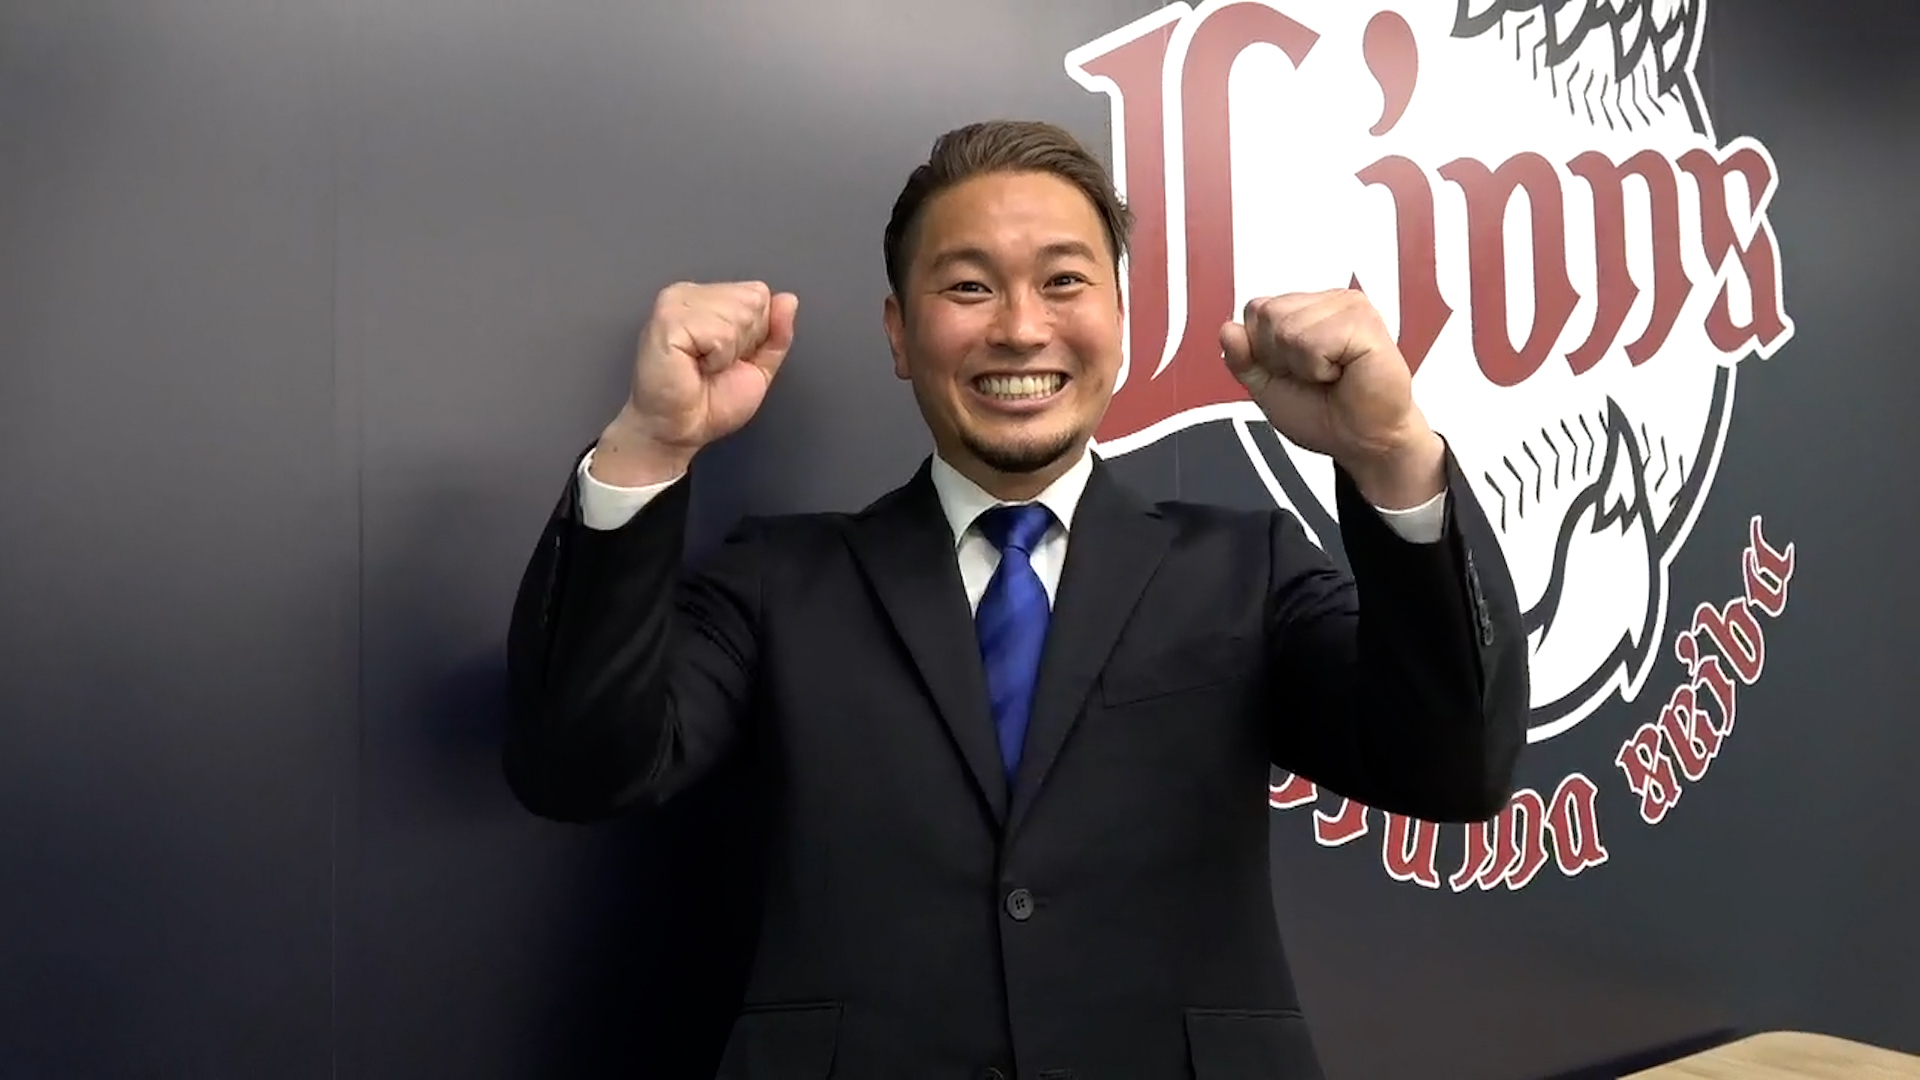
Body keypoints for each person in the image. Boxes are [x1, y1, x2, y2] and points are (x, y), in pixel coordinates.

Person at [503, 119, 1528, 1080]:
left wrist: (1392, 456)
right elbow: (580, 768)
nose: (1022, 328)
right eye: (969, 288)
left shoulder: (1247, 569)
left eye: (1064, 281)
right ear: (900, 334)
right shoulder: (780, 580)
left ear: (1120, 321)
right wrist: (649, 446)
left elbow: (1450, 767)